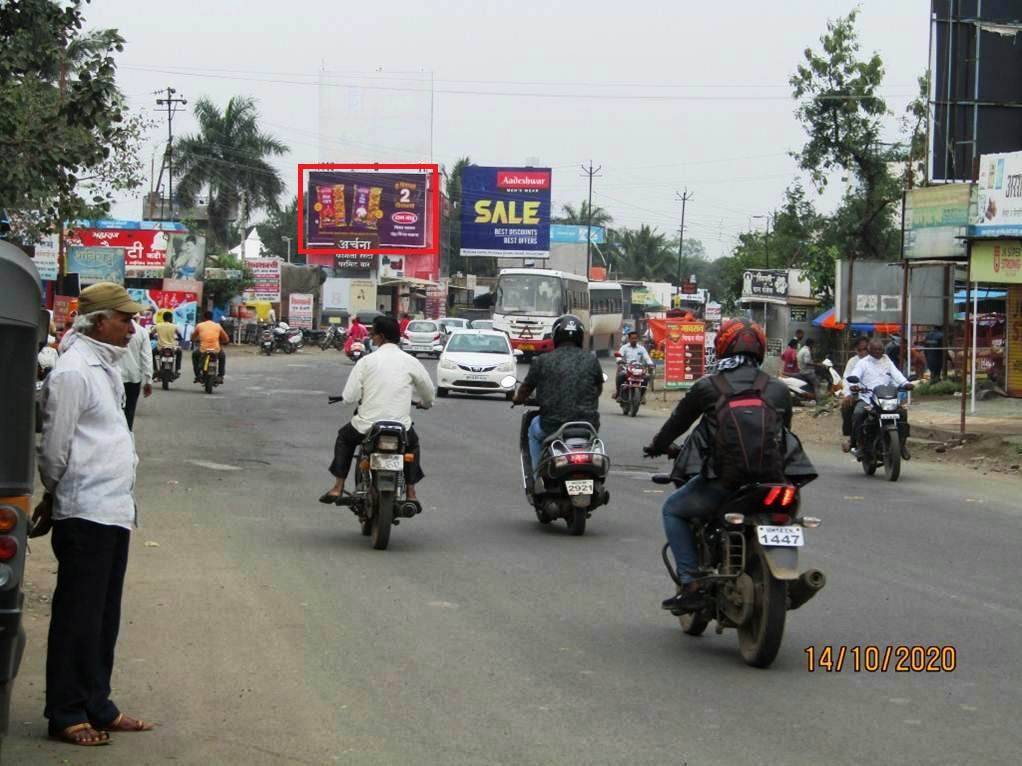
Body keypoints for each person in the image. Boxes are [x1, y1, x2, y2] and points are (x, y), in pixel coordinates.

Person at [37, 282, 155, 746]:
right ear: (97, 321)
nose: (132, 328)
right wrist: (54, 495)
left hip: (111, 510)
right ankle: (65, 711)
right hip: (84, 510)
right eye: (124, 319)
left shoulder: (103, 366)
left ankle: (97, 704)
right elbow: (54, 448)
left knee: (103, 616)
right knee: (77, 616)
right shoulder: (72, 372)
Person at [643, 319, 793, 612]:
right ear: (761, 350)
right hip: (773, 484)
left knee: (673, 510)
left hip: (723, 483)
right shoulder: (777, 389)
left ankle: (691, 583)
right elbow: (785, 436)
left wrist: (658, 446)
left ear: (722, 347)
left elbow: (676, 425)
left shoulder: (708, 386)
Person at [320, 315, 435, 505]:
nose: (371, 337)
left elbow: (349, 397)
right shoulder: (411, 362)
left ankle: (338, 486)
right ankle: (411, 493)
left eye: (373, 333)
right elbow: (429, 393)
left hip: (367, 426)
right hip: (400, 427)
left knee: (344, 438)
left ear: (381, 336)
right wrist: (426, 403)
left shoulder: (366, 362)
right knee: (412, 445)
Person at [512, 315, 604, 484]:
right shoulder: (592, 360)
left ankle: (536, 475)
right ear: (580, 337)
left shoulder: (542, 360)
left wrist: (518, 398)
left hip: (552, 425)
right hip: (588, 426)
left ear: (555, 336)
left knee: (533, 429)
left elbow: (526, 388)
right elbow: (598, 389)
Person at [848, 338, 913, 459]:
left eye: (880, 349)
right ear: (869, 350)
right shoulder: (863, 363)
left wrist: (905, 383)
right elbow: (855, 375)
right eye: (876, 349)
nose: (878, 352)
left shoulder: (887, 360)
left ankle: (902, 445)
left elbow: (897, 374)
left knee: (902, 414)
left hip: (887, 398)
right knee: (858, 414)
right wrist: (854, 386)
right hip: (868, 398)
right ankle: (859, 445)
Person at [118, 316, 153, 430]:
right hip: (133, 379)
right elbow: (146, 357)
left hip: (114, 378)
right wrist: (148, 381)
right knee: (129, 411)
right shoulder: (142, 332)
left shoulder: (113, 328)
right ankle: (126, 439)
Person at [840, 337, 870, 452]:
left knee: (900, 412)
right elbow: (847, 379)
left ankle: (900, 443)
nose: (863, 352)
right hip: (860, 394)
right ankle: (852, 437)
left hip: (878, 395)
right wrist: (848, 394)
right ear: (856, 350)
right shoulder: (853, 362)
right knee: (852, 410)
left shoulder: (882, 360)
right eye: (860, 350)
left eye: (865, 349)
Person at [613, 330, 654, 402]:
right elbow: (619, 356)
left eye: (635, 338)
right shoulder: (624, 347)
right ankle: (618, 393)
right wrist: (619, 360)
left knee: (646, 377)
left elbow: (647, 357)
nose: (634, 340)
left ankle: (642, 396)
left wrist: (650, 364)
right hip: (626, 367)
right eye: (632, 338)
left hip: (638, 368)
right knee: (620, 375)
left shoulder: (641, 348)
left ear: (637, 339)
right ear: (629, 339)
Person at [191, 310, 229, 383]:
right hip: (216, 350)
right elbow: (226, 339)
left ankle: (198, 375)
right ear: (212, 318)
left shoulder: (199, 325)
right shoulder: (218, 326)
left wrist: (194, 340)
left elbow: (193, 337)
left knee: (194, 355)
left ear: (204, 318)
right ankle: (220, 375)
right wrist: (222, 342)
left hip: (203, 349)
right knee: (222, 356)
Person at [152, 311, 183, 376]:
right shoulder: (174, 326)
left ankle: (155, 369)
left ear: (163, 318)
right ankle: (177, 369)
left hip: (160, 348)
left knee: (153, 352)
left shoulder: (158, 325)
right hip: (172, 348)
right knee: (179, 352)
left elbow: (151, 334)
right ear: (170, 318)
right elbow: (180, 336)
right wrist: (179, 339)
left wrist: (152, 337)